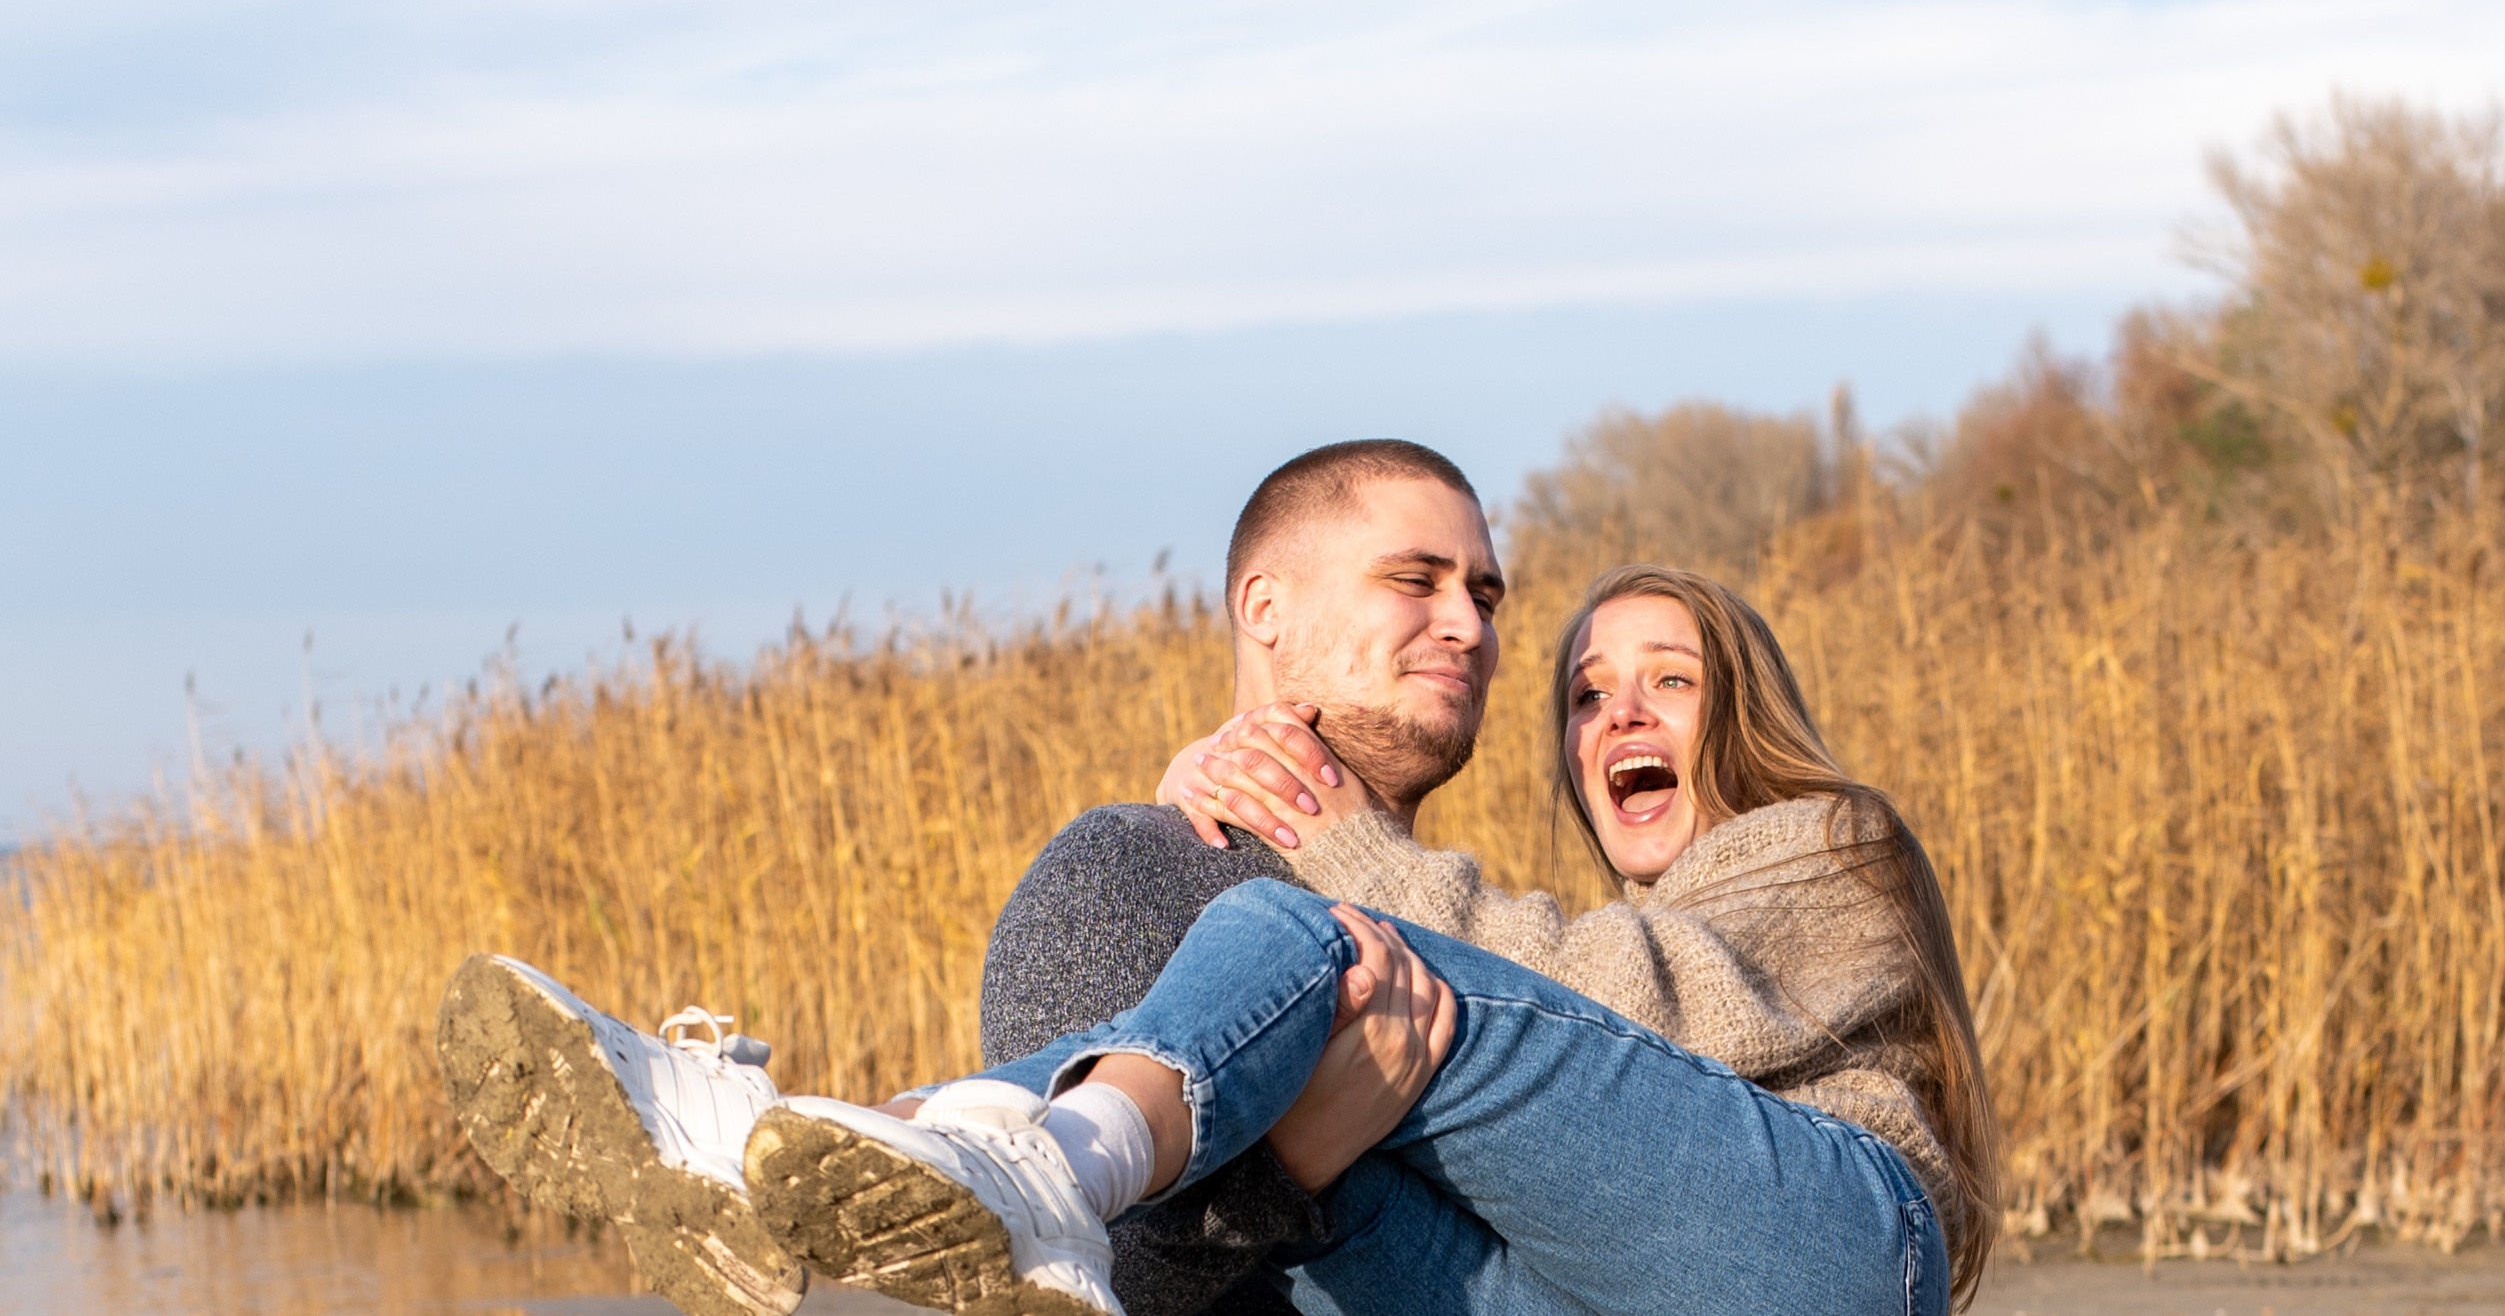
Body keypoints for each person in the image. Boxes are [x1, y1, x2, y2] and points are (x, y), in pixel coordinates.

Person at [440, 562, 2001, 1315]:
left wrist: (1334, 849)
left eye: (1669, 677)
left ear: (1746, 709)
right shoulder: (1599, 922)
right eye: (1587, 693)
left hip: (1839, 1256)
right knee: (1300, 1154)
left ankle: (1030, 1157)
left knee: (1306, 940)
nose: (1616, 713)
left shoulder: (1832, 842)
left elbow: (1664, 1004)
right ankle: (779, 1154)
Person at [976, 439, 1505, 1316]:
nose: (1468, 626)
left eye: (1483, 598)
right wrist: (1289, 1164)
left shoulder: (1472, 919)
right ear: (1264, 606)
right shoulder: (1137, 870)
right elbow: (1065, 1271)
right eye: (1415, 580)